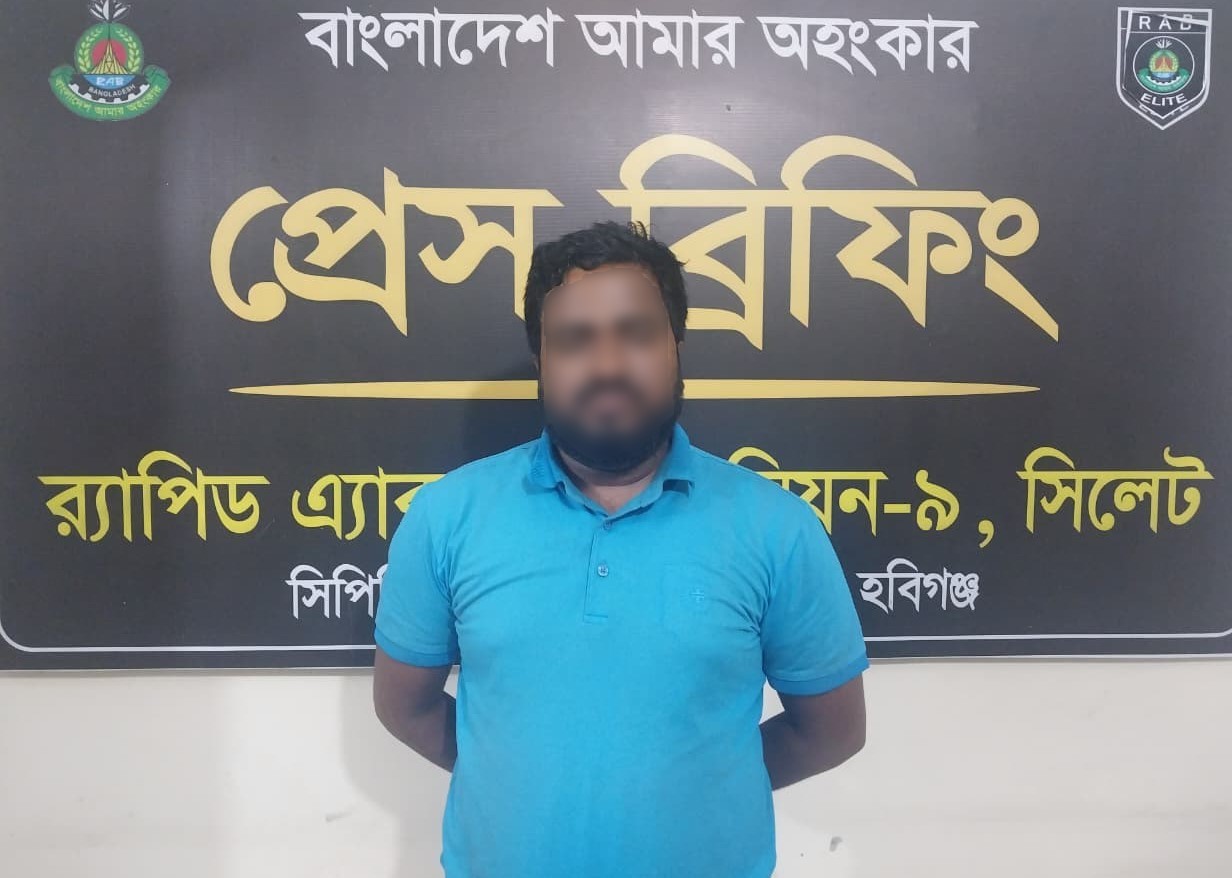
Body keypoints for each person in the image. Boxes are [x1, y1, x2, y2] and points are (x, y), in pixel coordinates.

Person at [372, 220, 869, 878]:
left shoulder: (777, 528)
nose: (607, 365)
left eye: (635, 333)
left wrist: (701, 785)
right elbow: (405, 706)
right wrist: (511, 774)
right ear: (541, 362)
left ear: (675, 346)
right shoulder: (446, 517)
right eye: (575, 340)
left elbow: (832, 730)